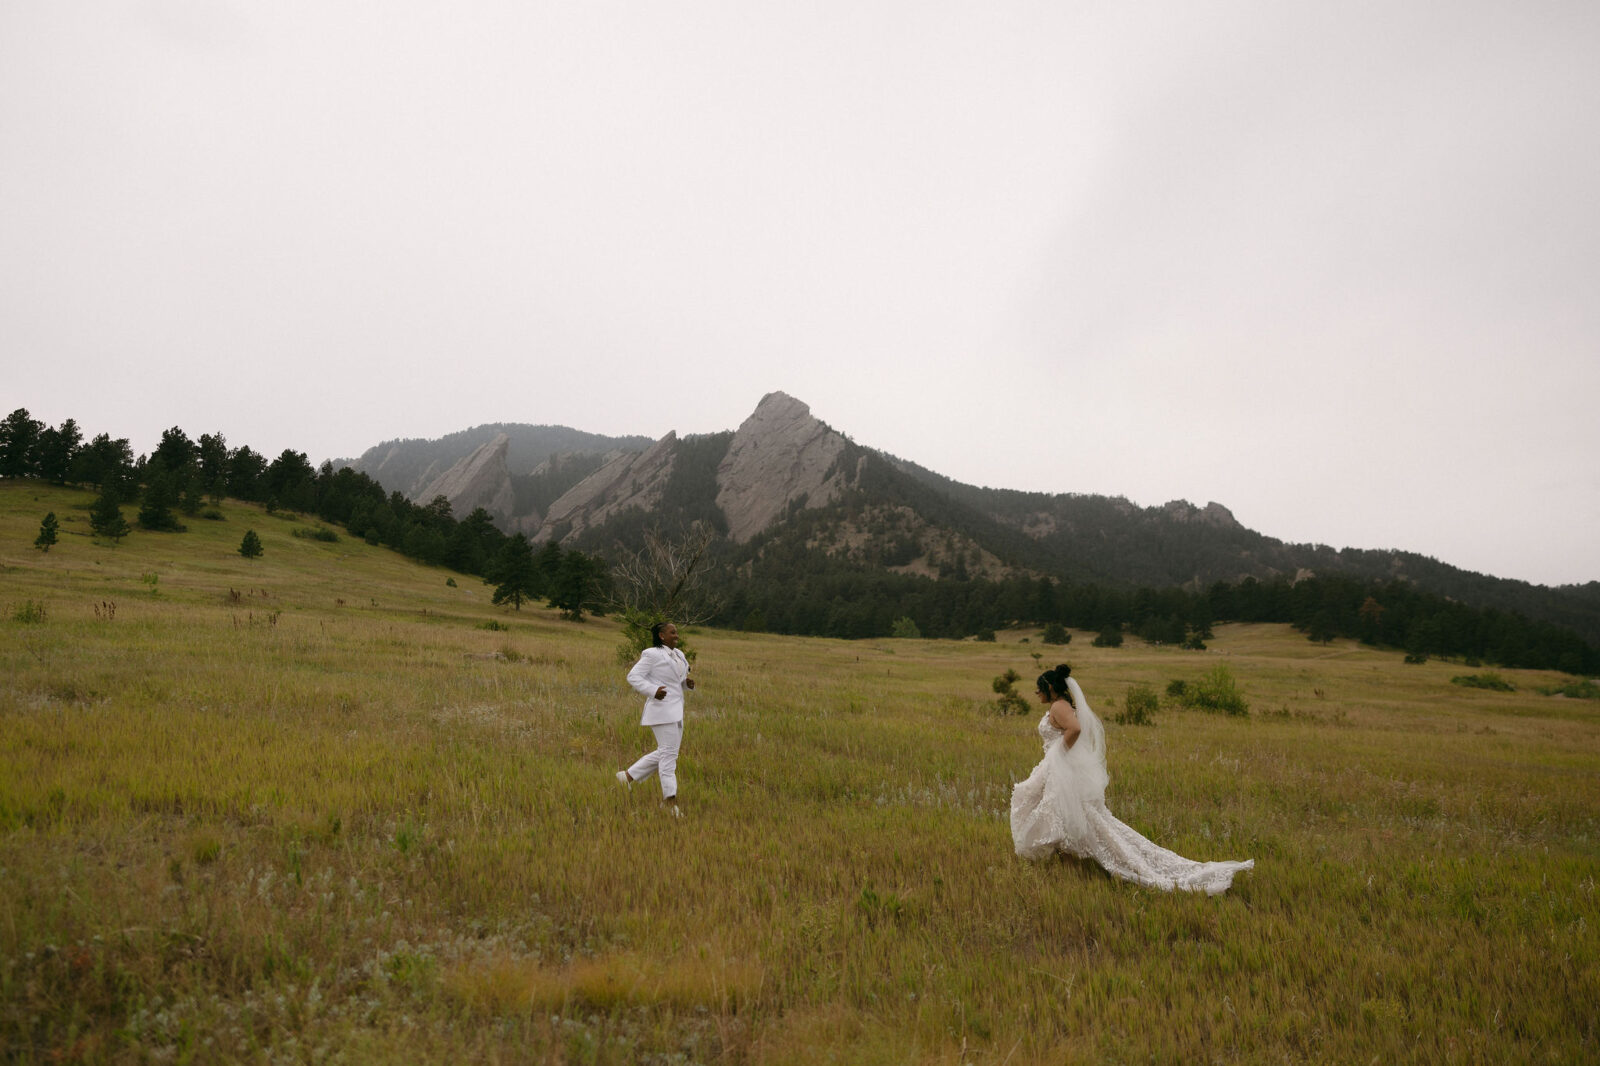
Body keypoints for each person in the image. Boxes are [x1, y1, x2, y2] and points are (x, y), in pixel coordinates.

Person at [1010, 664, 1253, 894]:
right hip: (1057, 769)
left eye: (1039, 689)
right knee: (1062, 814)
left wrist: (1058, 754)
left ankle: (1082, 866)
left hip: (1060, 768)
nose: (1037, 693)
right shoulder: (1060, 705)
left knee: (1071, 815)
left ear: (1050, 688)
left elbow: (1075, 729)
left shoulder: (1058, 707)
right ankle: (1070, 868)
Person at [617, 621, 695, 815]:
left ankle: (627, 776)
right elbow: (633, 676)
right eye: (672, 632)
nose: (677, 635)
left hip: (677, 711)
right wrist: (652, 690)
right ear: (661, 635)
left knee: (667, 753)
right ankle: (669, 802)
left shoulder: (679, 654)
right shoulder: (652, 654)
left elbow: (676, 682)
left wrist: (686, 684)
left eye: (676, 632)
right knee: (669, 758)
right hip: (661, 712)